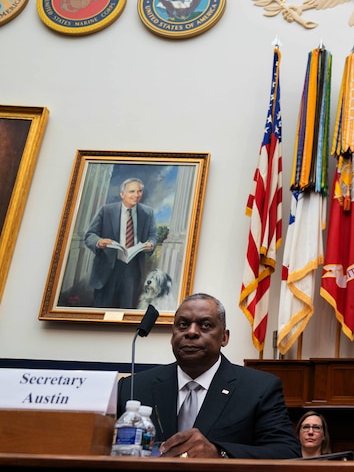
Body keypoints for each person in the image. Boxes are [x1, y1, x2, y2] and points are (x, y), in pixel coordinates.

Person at [116, 293, 300, 459]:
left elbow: (287, 452)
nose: (191, 332)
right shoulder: (133, 387)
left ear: (224, 338)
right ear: (172, 336)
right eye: (183, 324)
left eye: (205, 325)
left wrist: (219, 453)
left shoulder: (259, 388)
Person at [84, 178, 157, 308]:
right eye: (132, 191)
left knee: (126, 307)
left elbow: (153, 235)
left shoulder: (147, 213)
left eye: (139, 191)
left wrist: (151, 244)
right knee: (101, 307)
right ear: (122, 194)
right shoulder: (106, 210)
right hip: (106, 267)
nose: (136, 195)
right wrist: (99, 242)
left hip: (132, 269)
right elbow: (89, 235)